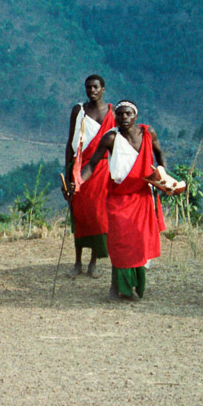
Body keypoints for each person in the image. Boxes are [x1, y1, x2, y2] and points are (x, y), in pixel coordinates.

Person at [79, 101, 169, 301]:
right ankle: (117, 287)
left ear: (135, 116)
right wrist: (78, 181)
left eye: (128, 114)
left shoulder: (148, 134)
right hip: (119, 197)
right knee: (119, 243)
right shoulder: (111, 137)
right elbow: (92, 164)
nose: (123, 118)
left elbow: (159, 154)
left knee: (139, 242)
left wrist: (164, 177)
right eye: (119, 115)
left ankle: (135, 287)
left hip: (142, 196)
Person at [64, 74, 114, 277]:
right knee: (80, 213)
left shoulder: (113, 112)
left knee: (98, 215)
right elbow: (70, 142)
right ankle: (77, 261)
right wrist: (68, 173)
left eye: (95, 87)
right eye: (88, 87)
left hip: (103, 170)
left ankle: (94, 261)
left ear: (103, 89)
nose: (91, 91)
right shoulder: (79, 110)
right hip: (80, 166)